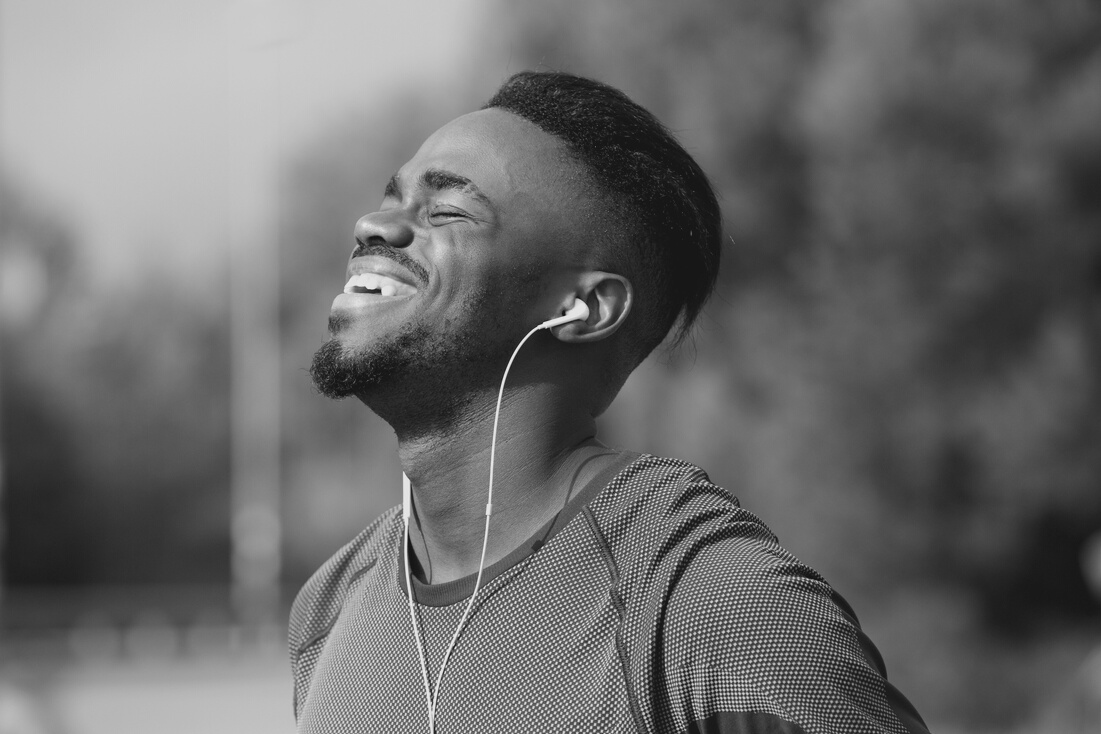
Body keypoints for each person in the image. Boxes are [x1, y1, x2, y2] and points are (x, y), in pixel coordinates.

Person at [290, 70, 930, 734]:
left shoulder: (713, 607)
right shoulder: (331, 604)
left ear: (580, 309)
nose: (374, 224)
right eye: (393, 198)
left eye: (448, 210)